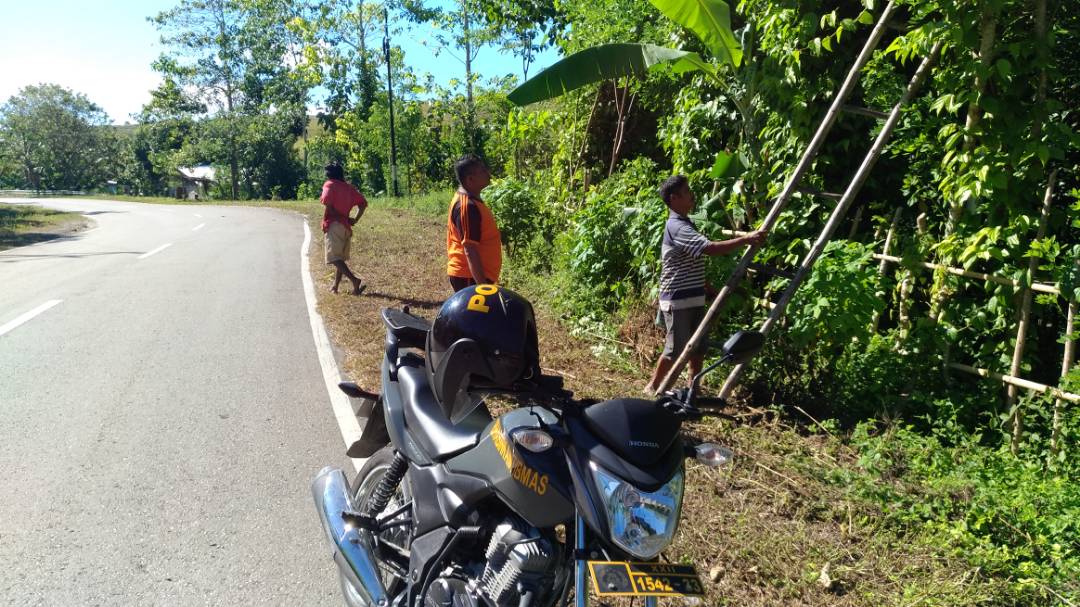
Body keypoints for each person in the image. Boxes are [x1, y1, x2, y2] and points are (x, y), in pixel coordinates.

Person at [644, 174, 768, 394]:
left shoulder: (685, 223)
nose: (692, 196)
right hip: (678, 299)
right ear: (674, 198)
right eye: (687, 193)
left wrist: (708, 287)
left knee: (698, 347)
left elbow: (692, 260)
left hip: (694, 295)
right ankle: (654, 387)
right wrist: (746, 239)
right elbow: (708, 249)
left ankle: (694, 388)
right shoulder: (676, 226)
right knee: (675, 349)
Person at [446, 155, 502, 292]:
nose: (488, 173)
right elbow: (470, 250)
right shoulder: (467, 207)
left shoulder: (472, 201)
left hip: (474, 278)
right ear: (470, 179)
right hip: (470, 278)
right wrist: (483, 288)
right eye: (482, 171)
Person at [321, 162, 368, 295]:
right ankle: (335, 286)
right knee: (339, 258)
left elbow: (326, 201)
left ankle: (355, 280)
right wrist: (354, 219)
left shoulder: (329, 184)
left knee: (334, 258)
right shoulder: (349, 188)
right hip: (346, 228)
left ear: (329, 175)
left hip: (334, 226)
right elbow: (363, 204)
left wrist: (336, 214)